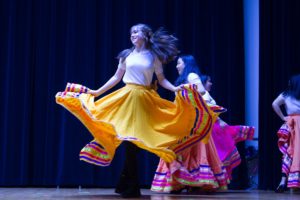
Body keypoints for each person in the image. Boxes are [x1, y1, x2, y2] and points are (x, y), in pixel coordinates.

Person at [55, 24, 217, 198]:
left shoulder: (153, 57)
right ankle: (130, 186)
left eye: (136, 32)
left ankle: (125, 182)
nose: (132, 35)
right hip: (126, 97)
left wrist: (176, 89)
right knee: (129, 141)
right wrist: (97, 92)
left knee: (136, 142)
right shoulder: (126, 55)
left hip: (144, 100)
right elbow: (116, 77)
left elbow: (161, 80)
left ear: (146, 35)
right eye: (131, 32)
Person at [151, 55, 229, 193]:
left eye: (179, 63)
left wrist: (184, 89)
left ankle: (193, 182)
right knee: (180, 150)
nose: (176, 66)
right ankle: (182, 181)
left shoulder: (192, 75)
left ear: (186, 64)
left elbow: (201, 90)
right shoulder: (181, 80)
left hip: (193, 123)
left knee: (186, 150)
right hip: (184, 121)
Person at [200, 75, 254, 180]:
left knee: (215, 154)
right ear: (203, 83)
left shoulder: (205, 94)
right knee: (219, 152)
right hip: (212, 128)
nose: (211, 84)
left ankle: (211, 180)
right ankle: (212, 180)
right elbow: (209, 110)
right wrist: (220, 120)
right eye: (209, 81)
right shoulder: (205, 94)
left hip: (210, 127)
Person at [272, 74, 300, 193]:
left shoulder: (286, 94)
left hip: (291, 123)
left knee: (289, 152)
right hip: (296, 124)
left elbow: (274, 104)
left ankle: (283, 181)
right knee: (297, 152)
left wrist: (283, 117)